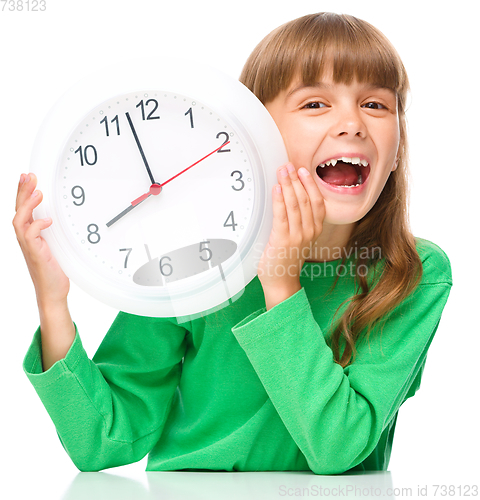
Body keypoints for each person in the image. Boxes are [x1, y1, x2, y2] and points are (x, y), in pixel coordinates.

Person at [13, 12, 452, 474]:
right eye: (316, 104)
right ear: (255, 131)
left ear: (399, 141)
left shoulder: (414, 275)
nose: (352, 124)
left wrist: (281, 286)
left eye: (376, 105)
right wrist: (52, 301)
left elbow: (337, 447)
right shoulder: (190, 257)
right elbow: (102, 441)